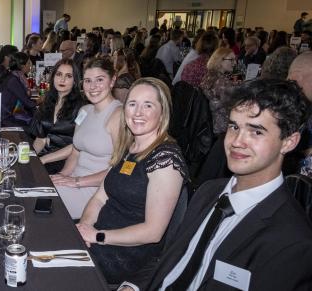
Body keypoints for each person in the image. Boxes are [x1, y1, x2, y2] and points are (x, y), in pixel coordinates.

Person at [120, 79, 312, 291]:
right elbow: (171, 258)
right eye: (234, 127)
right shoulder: (208, 192)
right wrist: (132, 286)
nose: (237, 141)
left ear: (289, 141)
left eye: (256, 131)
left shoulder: (292, 241)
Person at [76, 77, 187, 284]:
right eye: (132, 104)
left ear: (162, 112)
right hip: (98, 237)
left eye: (148, 105)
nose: (138, 113)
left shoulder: (166, 159)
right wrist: (84, 227)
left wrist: (98, 236)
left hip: (124, 256)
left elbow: (153, 232)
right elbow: (100, 197)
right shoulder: (129, 148)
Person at [41, 58, 122, 219]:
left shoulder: (119, 115)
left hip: (97, 192)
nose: (93, 87)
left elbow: (119, 172)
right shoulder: (84, 111)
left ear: (112, 81)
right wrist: (63, 176)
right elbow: (75, 152)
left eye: (100, 80)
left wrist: (77, 181)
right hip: (73, 182)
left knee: (38, 207)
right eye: (88, 81)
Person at [28, 59, 87, 174]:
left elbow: (76, 146)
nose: (62, 79)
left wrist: (43, 160)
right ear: (53, 77)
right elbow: (41, 139)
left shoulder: (82, 107)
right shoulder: (47, 102)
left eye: (68, 76)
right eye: (59, 74)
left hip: (66, 161)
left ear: (75, 81)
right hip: (43, 157)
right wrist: (30, 157)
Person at [200, 47, 237, 135]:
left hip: (209, 122)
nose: (235, 63)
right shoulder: (222, 82)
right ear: (220, 61)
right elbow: (235, 101)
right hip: (220, 126)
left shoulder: (209, 75)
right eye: (231, 60)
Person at [0, 52, 37, 126]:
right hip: (7, 117)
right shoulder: (13, 80)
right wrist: (41, 100)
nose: (30, 66)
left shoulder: (12, 75)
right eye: (28, 63)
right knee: (38, 120)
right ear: (22, 66)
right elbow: (27, 103)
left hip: (10, 113)